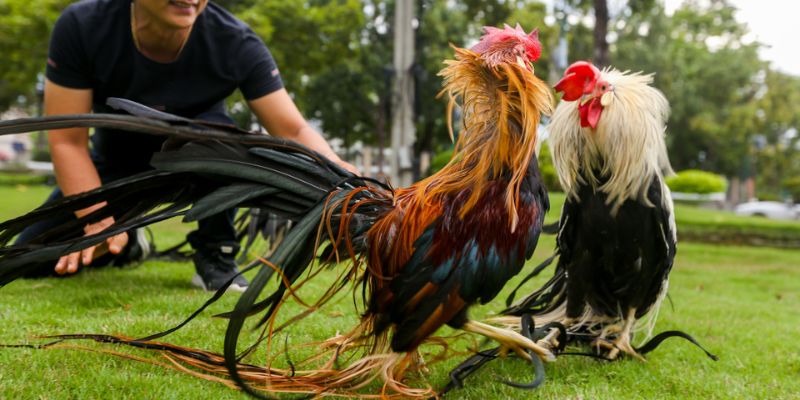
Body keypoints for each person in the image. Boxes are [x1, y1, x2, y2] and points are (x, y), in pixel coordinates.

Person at [16, 0, 358, 291]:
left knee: (225, 143)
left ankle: (216, 252)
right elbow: (67, 141)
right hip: (112, 164)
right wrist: (98, 223)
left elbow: (294, 130)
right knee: (29, 258)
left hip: (201, 164)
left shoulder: (235, 42)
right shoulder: (82, 25)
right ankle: (130, 244)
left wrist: (343, 174)